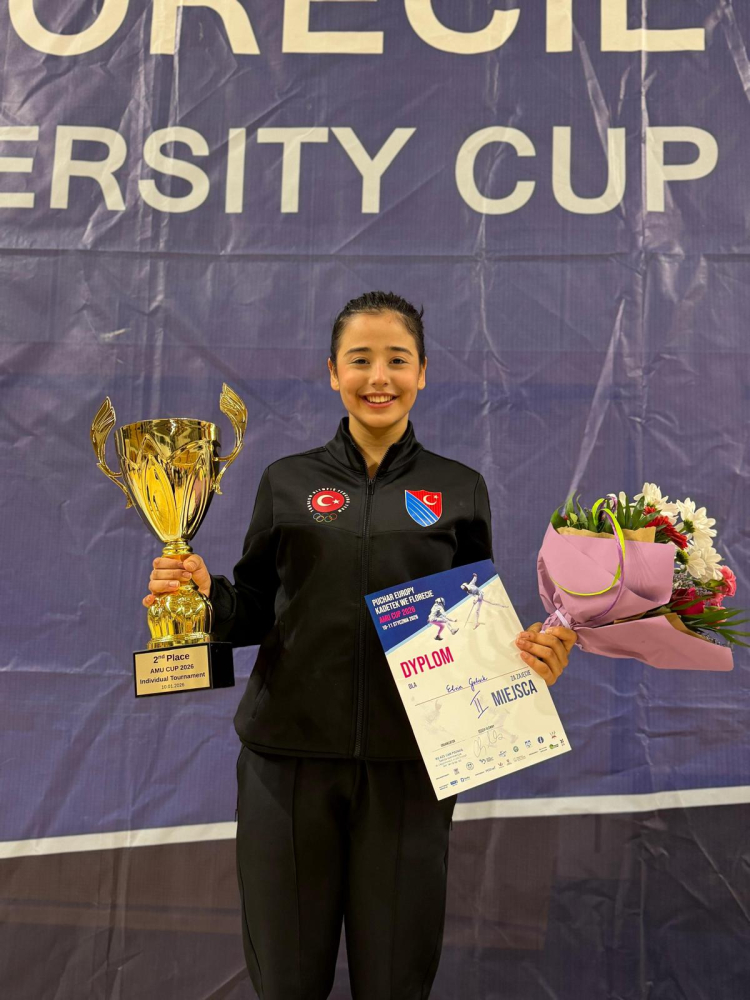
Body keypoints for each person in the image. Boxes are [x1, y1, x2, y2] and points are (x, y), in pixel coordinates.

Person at [143, 291, 577, 1000]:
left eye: (397, 360)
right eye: (360, 360)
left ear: (423, 373)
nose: (379, 377)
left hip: (411, 772)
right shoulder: (287, 481)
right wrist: (201, 597)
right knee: (287, 982)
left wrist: (530, 661)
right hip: (286, 768)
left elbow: (477, 623)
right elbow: (252, 609)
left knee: (395, 982)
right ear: (332, 372)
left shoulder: (458, 488)